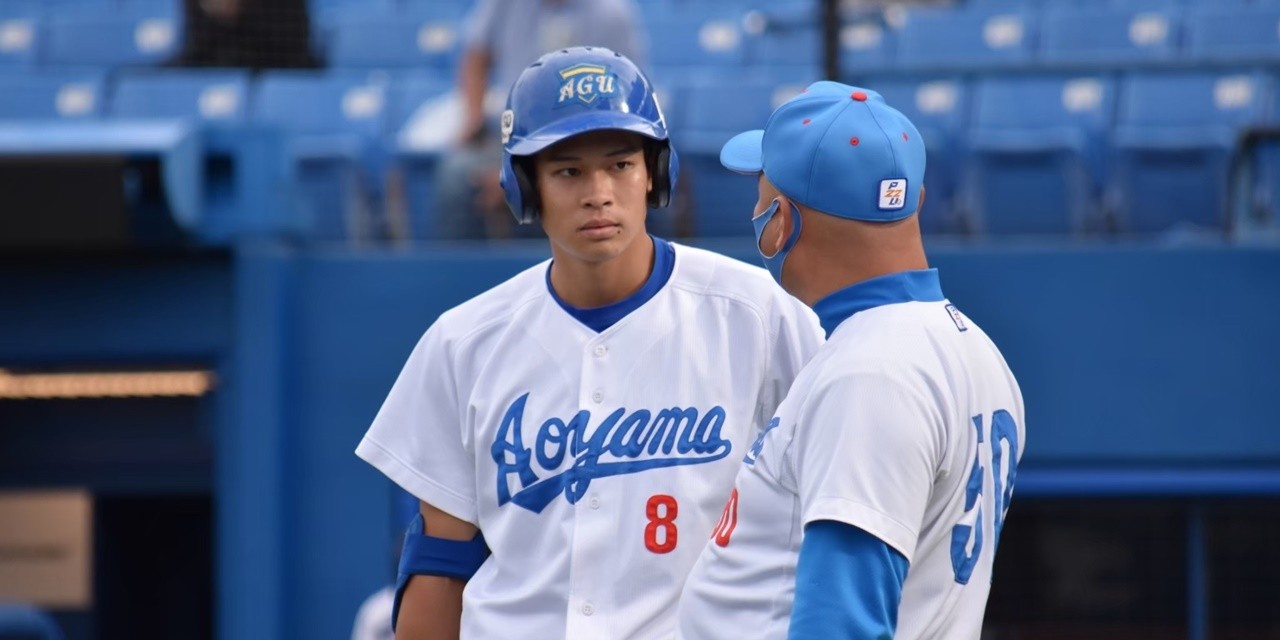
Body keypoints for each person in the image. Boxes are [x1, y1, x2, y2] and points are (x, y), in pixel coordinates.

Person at [355, 47, 823, 639]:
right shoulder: (463, 342)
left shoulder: (756, 314)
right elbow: (440, 561)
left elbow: (828, 512)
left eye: (621, 164)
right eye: (568, 170)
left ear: (654, 172)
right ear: (525, 187)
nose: (598, 192)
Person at [676, 81, 1027, 639]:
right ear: (914, 198)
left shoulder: (871, 373)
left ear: (782, 221)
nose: (756, 213)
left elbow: (842, 623)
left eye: (761, 197)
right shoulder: (974, 348)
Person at [425, 0, 647, 240]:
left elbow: (627, 92)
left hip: (586, 142)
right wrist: (475, 120)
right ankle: (464, 274)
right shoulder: (503, 5)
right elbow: (476, 57)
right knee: (456, 175)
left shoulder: (611, 11)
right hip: (512, 137)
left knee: (554, 185)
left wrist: (518, 174)